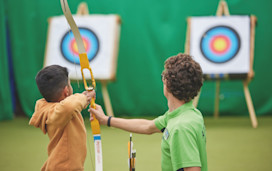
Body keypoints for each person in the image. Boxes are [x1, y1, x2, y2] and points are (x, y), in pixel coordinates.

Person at [89, 53, 208, 171]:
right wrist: (106, 120)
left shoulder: (180, 127)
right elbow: (147, 126)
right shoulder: (187, 114)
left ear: (168, 84)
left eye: (163, 77)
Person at [29, 65, 95, 171]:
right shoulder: (58, 111)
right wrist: (84, 97)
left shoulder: (51, 108)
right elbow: (69, 107)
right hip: (64, 167)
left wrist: (84, 100)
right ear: (66, 91)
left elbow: (69, 106)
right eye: (69, 84)